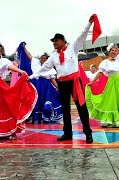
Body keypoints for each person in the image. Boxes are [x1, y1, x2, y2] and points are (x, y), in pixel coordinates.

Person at [29, 15, 96, 143]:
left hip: (75, 81)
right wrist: (31, 77)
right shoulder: (53, 56)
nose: (54, 43)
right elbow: (43, 68)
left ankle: (88, 133)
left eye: (56, 40)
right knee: (65, 109)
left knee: (81, 107)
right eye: (53, 41)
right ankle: (67, 133)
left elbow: (82, 35)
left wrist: (89, 23)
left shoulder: (73, 48)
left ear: (63, 41)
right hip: (63, 83)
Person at [18, 42, 62, 123]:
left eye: (45, 58)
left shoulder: (50, 68)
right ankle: (35, 117)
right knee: (36, 100)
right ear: (40, 59)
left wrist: (57, 87)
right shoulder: (36, 64)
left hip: (46, 87)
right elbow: (29, 56)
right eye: (42, 58)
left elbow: (52, 79)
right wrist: (24, 48)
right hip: (36, 85)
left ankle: (45, 116)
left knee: (46, 100)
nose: (43, 59)